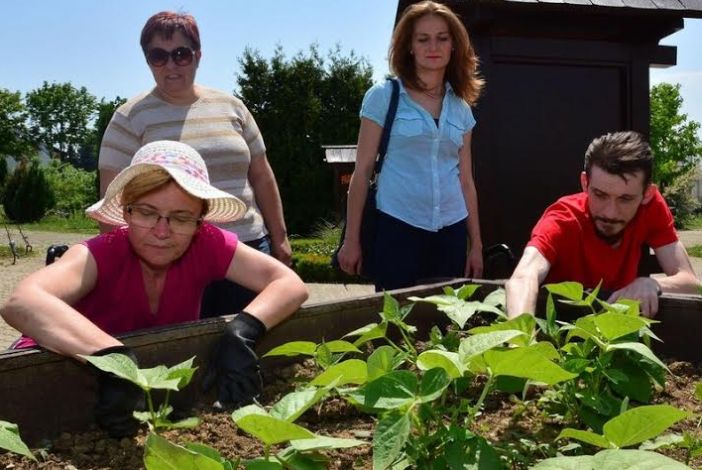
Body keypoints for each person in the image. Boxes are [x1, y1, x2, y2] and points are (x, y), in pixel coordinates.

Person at [0, 140, 308, 438]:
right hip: (48, 370)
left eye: (181, 217)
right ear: (126, 213)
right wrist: (113, 360)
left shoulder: (207, 245)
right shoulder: (100, 253)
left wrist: (241, 332)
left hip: (132, 394)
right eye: (147, 213)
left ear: (199, 222)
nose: (162, 232)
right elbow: (21, 301)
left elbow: (289, 283)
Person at [98, 11, 291, 318]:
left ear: (198, 55)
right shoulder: (129, 117)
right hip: (175, 259)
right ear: (147, 60)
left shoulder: (233, 107)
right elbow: (112, 199)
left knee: (253, 346)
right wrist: (135, 266)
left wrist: (279, 237)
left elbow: (261, 175)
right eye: (158, 56)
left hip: (250, 247)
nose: (171, 65)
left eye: (181, 54)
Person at [337, 1, 484, 291]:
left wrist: (476, 244)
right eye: (423, 39)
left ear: (454, 45)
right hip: (397, 226)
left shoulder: (461, 108)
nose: (433, 46)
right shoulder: (383, 96)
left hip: (451, 231)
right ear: (409, 46)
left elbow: (466, 181)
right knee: (395, 324)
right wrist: (350, 240)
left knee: (445, 323)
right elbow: (363, 170)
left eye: (442, 38)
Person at [506, 131, 699, 319]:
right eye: (600, 195)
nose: (610, 212)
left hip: (616, 330)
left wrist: (652, 284)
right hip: (561, 330)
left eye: (625, 199)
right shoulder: (563, 218)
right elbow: (523, 277)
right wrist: (521, 344)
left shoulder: (652, 207)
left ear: (647, 194)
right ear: (584, 183)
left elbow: (690, 282)